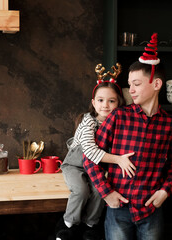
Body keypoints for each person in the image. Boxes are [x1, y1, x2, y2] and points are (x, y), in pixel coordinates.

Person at [83, 33, 172, 240]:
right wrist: (106, 192)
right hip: (119, 207)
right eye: (130, 84)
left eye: (136, 84)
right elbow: (90, 157)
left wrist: (165, 191)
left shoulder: (170, 124)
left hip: (151, 210)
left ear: (156, 84)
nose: (131, 89)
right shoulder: (118, 117)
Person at [56, 63, 136, 240]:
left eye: (111, 101)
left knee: (100, 190)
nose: (105, 105)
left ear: (119, 103)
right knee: (81, 191)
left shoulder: (118, 125)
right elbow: (91, 152)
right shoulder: (88, 122)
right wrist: (118, 160)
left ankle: (90, 226)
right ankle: (68, 225)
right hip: (75, 166)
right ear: (93, 102)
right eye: (100, 100)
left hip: (97, 169)